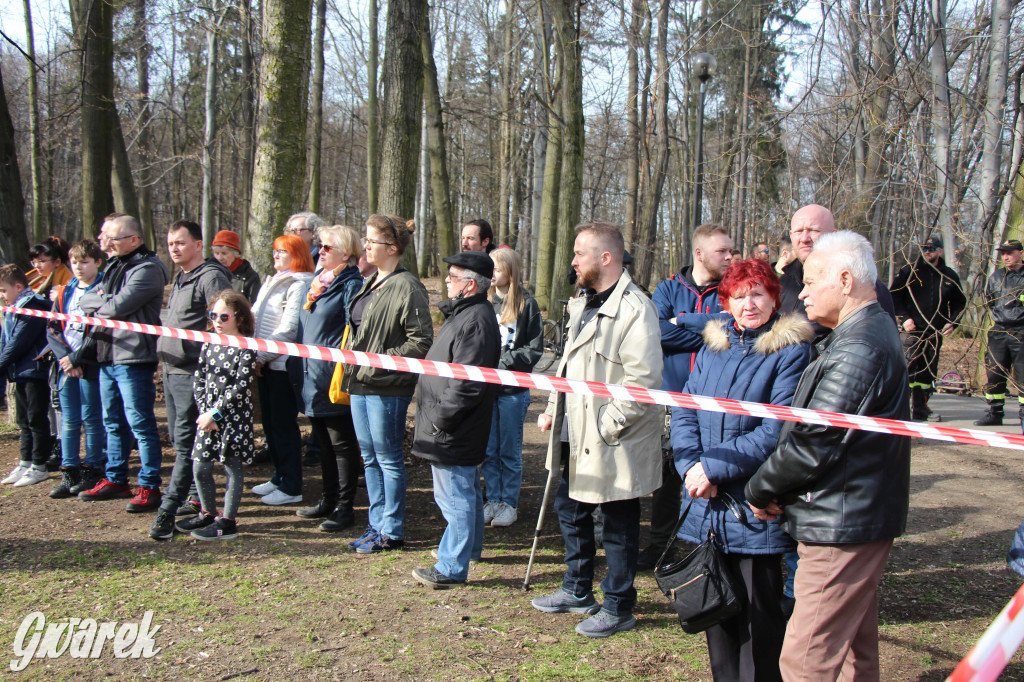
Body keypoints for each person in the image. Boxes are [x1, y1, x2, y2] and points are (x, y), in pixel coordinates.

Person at [745, 231, 910, 681]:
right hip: (849, 513)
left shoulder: (860, 347)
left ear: (844, 280)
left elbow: (815, 441)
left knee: (805, 660)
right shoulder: (857, 335)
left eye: (812, 281)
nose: (802, 291)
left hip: (841, 522)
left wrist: (760, 487)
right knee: (858, 653)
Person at [673, 258, 812, 681]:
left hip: (753, 509)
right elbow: (685, 409)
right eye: (739, 295)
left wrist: (712, 468)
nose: (748, 304)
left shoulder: (791, 352)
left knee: (758, 626)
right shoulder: (712, 348)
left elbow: (775, 430)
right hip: (707, 507)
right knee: (716, 617)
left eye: (757, 294)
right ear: (726, 301)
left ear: (774, 298)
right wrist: (690, 468)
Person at [533, 222, 663, 639]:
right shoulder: (581, 303)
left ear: (605, 258)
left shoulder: (634, 308)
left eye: (579, 254)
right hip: (575, 431)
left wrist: (607, 426)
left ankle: (619, 605)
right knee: (570, 510)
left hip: (614, 440)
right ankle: (577, 589)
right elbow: (567, 366)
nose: (572, 262)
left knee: (619, 523)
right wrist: (555, 407)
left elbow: (643, 381)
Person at [640, 223, 733, 570]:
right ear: (699, 253)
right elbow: (656, 332)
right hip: (671, 400)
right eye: (722, 251)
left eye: (730, 250)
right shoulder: (667, 289)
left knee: (710, 475)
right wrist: (708, 329)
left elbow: (733, 331)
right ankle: (660, 547)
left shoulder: (733, 291)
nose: (729, 256)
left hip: (716, 401)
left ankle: (707, 550)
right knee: (666, 478)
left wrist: (684, 321)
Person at [341, 214, 433, 554]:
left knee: (389, 458)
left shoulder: (408, 286)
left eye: (372, 241)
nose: (365, 246)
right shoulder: (370, 281)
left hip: (386, 386)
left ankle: (392, 530)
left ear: (392, 248)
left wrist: (379, 360)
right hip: (359, 383)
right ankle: (375, 524)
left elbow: (421, 341)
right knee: (369, 458)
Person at [410, 251, 501, 588]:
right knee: (463, 492)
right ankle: (468, 550)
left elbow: (467, 382)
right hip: (452, 423)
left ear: (470, 284)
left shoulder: (476, 319)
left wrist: (441, 421)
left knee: (455, 496)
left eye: (452, 276)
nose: (446, 281)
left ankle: (451, 566)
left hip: (454, 425)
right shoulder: (467, 313)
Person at [77, 214, 170, 512]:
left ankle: (149, 485)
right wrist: (103, 302)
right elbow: (86, 300)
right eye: (105, 237)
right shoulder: (115, 266)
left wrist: (103, 303)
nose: (106, 243)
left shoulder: (149, 268)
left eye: (112, 238)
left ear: (134, 239)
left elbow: (116, 307)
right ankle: (116, 479)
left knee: (140, 424)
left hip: (133, 357)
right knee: (112, 422)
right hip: (106, 354)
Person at [149, 220, 232, 539]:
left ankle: (167, 512)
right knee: (179, 439)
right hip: (170, 370)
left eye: (180, 243)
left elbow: (225, 322)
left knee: (186, 444)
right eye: (170, 243)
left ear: (198, 244)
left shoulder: (211, 276)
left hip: (192, 372)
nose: (174, 248)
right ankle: (195, 498)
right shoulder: (182, 277)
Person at [295, 225, 364, 528]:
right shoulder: (318, 283)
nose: (319, 252)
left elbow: (356, 328)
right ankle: (328, 498)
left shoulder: (351, 284)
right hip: (312, 375)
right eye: (319, 246)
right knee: (321, 441)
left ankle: (345, 507)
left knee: (342, 443)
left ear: (346, 254)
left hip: (334, 376)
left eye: (326, 247)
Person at [175, 290, 258, 541]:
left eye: (224, 317)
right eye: (214, 316)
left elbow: (240, 385)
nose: (218, 322)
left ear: (239, 318)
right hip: (206, 418)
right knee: (200, 466)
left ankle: (228, 521)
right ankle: (208, 512)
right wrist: (204, 412)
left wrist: (216, 413)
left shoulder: (247, 346)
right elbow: (199, 378)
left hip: (232, 418)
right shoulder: (210, 342)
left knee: (232, 467)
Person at [248, 235, 315, 509]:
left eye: (282, 251)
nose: (275, 255)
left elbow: (287, 329)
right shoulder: (273, 280)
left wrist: (261, 357)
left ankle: (291, 485)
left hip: (281, 366)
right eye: (274, 251)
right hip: (264, 364)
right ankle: (278, 476)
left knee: (284, 427)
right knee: (271, 426)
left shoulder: (299, 284)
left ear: (296, 254)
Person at [482, 248, 544, 528]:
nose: (492, 274)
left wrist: (504, 361)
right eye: (490, 269)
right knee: (488, 450)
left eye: (496, 269)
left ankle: (509, 503)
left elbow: (534, 348)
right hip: (486, 390)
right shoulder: (484, 301)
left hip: (513, 391)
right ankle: (492, 499)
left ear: (510, 271)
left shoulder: (527, 304)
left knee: (508, 450)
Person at [779, 204, 896, 342]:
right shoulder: (783, 283)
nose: (805, 238)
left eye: (813, 230)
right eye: (799, 231)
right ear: (791, 236)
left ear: (833, 234)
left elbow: (877, 345)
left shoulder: (864, 285)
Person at [45, 240, 107, 498]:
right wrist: (66, 359)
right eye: (75, 262)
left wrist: (79, 359)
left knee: (92, 420)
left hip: (90, 364)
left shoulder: (103, 290)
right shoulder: (64, 291)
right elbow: (52, 327)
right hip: (65, 365)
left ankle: (93, 469)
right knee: (69, 421)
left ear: (97, 263)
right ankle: (69, 470)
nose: (79, 267)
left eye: (84, 262)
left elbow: (100, 329)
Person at [889, 236, 966, 422]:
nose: (927, 252)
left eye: (931, 249)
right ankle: (899, 410)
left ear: (939, 251)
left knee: (926, 374)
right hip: (911, 332)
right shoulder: (910, 272)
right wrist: (904, 318)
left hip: (934, 332)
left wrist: (953, 322)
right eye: (924, 249)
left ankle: (921, 408)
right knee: (907, 371)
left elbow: (960, 303)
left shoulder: (948, 275)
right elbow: (893, 296)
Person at [0, 265, 53, 487]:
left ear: (18, 286)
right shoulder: (13, 308)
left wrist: (1, 364)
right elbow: (6, 341)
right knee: (23, 420)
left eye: (3, 290)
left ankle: (39, 465)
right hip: (19, 372)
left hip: (35, 370)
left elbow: (18, 343)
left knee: (36, 418)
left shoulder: (33, 306)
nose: (1, 296)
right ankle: (26, 460)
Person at [975, 239, 1024, 426]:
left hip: (1021, 332)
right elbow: (990, 301)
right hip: (999, 332)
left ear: (1021, 253)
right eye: (1003, 253)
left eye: (1010, 252)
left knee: (1022, 375)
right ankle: (995, 412)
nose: (1006, 256)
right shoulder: (996, 277)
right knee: (994, 373)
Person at [211, 230, 261, 303]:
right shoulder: (210, 273)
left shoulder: (250, 277)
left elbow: (253, 307)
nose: (220, 258)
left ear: (235, 254)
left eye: (224, 253)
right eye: (217, 253)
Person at [27, 236, 72, 301]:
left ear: (57, 262)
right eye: (34, 262)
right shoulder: (32, 279)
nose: (36, 266)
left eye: (42, 261)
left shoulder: (69, 284)